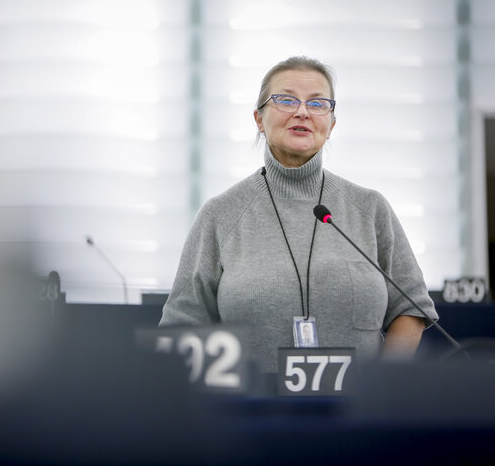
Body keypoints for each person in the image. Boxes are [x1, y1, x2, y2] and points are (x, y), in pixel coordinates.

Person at [159, 56, 438, 372]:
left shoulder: (370, 209)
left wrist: (383, 388)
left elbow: (411, 308)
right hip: (250, 413)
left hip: (361, 414)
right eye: (286, 100)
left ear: (331, 125)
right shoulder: (220, 215)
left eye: (318, 104)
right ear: (258, 119)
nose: (302, 111)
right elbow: (182, 325)